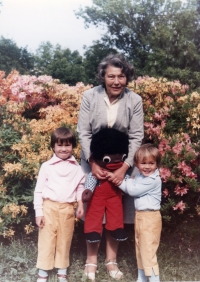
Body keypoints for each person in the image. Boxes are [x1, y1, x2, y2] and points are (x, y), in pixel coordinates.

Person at [77, 53, 144, 280]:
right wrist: (92, 162)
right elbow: (83, 132)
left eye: (121, 76)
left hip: (121, 163)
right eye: (111, 76)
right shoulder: (89, 96)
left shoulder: (134, 100)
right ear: (103, 77)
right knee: (93, 209)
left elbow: (136, 136)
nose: (116, 81)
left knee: (117, 211)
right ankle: (91, 260)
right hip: (93, 160)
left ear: (127, 78)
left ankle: (111, 260)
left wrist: (124, 167)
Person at [34, 127, 85, 282]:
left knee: (65, 239)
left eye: (67, 145)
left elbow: (80, 187)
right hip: (48, 207)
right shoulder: (46, 166)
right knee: (47, 239)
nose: (64, 149)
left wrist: (81, 204)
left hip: (67, 209)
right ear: (53, 147)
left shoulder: (77, 168)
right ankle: (43, 272)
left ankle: (62, 271)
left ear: (73, 146)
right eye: (60, 145)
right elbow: (38, 191)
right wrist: (39, 212)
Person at [108, 143, 162, 282]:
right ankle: (142, 278)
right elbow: (131, 182)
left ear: (156, 164)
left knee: (148, 251)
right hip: (141, 217)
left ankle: (154, 279)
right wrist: (125, 180)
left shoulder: (153, 180)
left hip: (150, 218)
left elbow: (132, 189)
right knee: (140, 248)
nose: (147, 166)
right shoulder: (140, 176)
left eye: (151, 163)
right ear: (137, 164)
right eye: (143, 163)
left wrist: (117, 180)